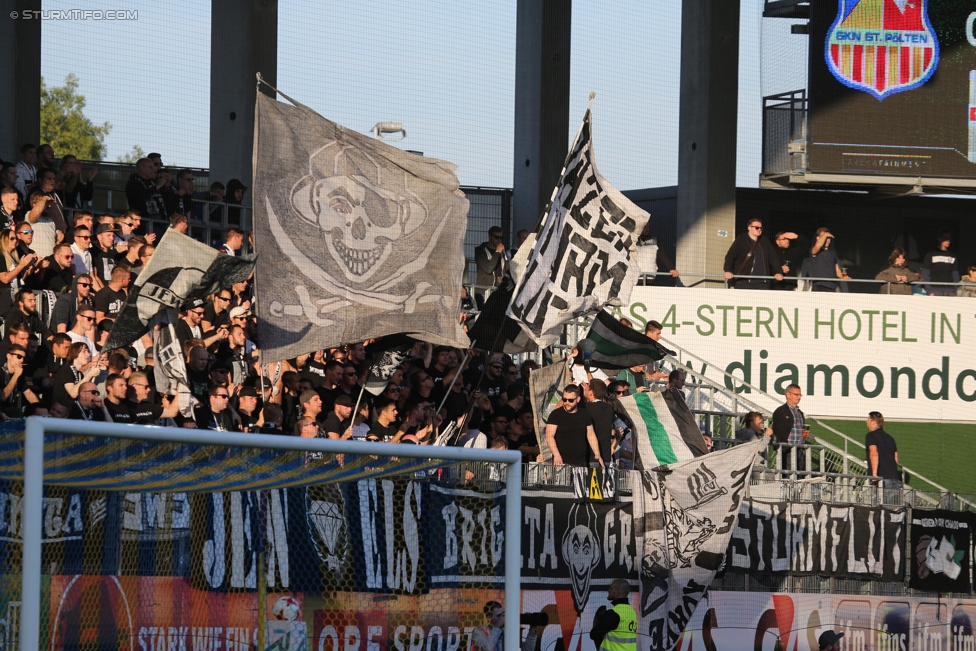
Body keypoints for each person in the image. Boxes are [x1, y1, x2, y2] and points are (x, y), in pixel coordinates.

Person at [545, 384, 604, 467]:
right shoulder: (556, 414)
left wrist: (597, 454)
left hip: (581, 461)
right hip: (561, 461)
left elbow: (591, 434)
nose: (567, 403)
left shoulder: (585, 414)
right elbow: (549, 436)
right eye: (564, 400)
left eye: (571, 400)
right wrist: (557, 455)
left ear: (578, 399)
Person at [660, 370, 710, 457]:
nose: (683, 384)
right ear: (674, 380)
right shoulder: (659, 391)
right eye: (682, 381)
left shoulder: (681, 394)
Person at [722, 218, 783, 289]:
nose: (759, 229)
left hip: (763, 282)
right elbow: (730, 256)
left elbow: (773, 258)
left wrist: (778, 272)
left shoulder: (765, 241)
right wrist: (728, 270)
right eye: (757, 228)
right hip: (743, 281)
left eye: (761, 228)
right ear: (749, 228)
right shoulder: (741, 239)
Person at [470, 601, 543, 651]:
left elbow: (527, 649)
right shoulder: (479, 631)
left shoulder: (505, 631)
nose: (502, 618)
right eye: (499, 616)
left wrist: (532, 629)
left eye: (503, 615)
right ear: (489, 617)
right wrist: (498, 625)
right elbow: (487, 648)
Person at [590, 580, 637, 651]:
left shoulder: (613, 613)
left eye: (611, 588)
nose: (608, 590)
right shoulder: (632, 612)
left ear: (618, 593)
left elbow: (594, 634)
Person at [772, 384, 808, 473]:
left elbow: (798, 429)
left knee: (798, 476)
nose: (799, 397)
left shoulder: (800, 413)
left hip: (799, 450)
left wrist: (804, 434)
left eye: (800, 395)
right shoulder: (781, 411)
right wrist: (783, 447)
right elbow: (777, 430)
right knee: (788, 478)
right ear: (788, 394)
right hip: (787, 450)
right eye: (796, 394)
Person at [473, 226, 509, 306]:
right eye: (496, 237)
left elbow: (507, 269)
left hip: (498, 291)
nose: (499, 240)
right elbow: (489, 269)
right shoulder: (480, 251)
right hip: (484, 292)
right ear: (490, 236)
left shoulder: (502, 252)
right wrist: (497, 252)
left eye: (501, 238)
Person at [125, 158, 167, 222]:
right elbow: (141, 196)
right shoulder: (133, 182)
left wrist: (167, 185)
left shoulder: (153, 182)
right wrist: (158, 186)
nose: (153, 170)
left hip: (161, 220)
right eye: (150, 167)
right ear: (142, 167)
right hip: (145, 221)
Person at [865, 411, 899, 487]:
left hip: (881, 481)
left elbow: (874, 454)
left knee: (875, 499)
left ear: (873, 422)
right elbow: (896, 460)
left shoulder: (871, 436)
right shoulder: (890, 438)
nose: (866, 422)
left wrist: (874, 475)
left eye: (868, 420)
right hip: (894, 480)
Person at [921, 232, 960, 296]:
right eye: (945, 238)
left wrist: (955, 290)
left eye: (949, 238)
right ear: (939, 239)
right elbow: (925, 273)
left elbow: (955, 274)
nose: (948, 240)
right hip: (935, 290)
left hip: (950, 291)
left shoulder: (952, 255)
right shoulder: (931, 254)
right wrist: (929, 290)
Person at [808, 227, 845, 292]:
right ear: (818, 238)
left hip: (832, 287)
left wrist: (844, 276)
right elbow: (817, 246)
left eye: (828, 238)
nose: (826, 239)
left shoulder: (833, 253)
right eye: (824, 237)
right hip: (819, 285)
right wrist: (825, 235)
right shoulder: (814, 250)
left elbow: (838, 271)